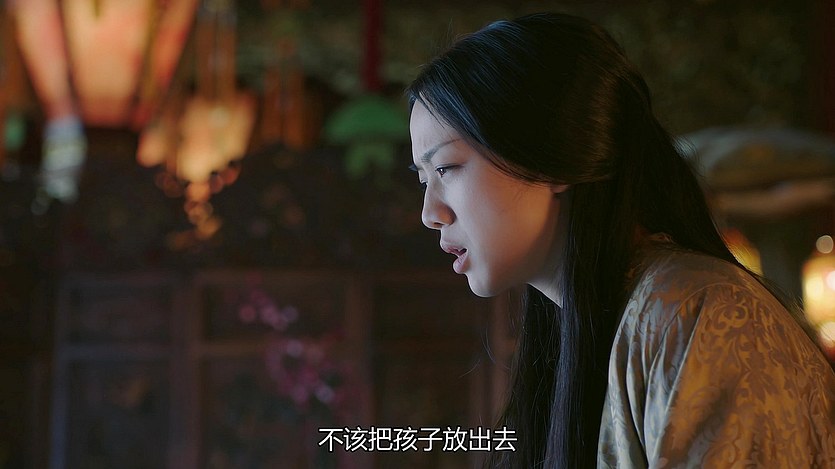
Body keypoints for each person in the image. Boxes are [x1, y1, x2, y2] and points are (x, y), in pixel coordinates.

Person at [406, 12, 835, 468]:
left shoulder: (701, 314)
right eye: (423, 179)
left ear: (550, 155)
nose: (431, 214)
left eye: (447, 168)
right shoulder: (606, 326)